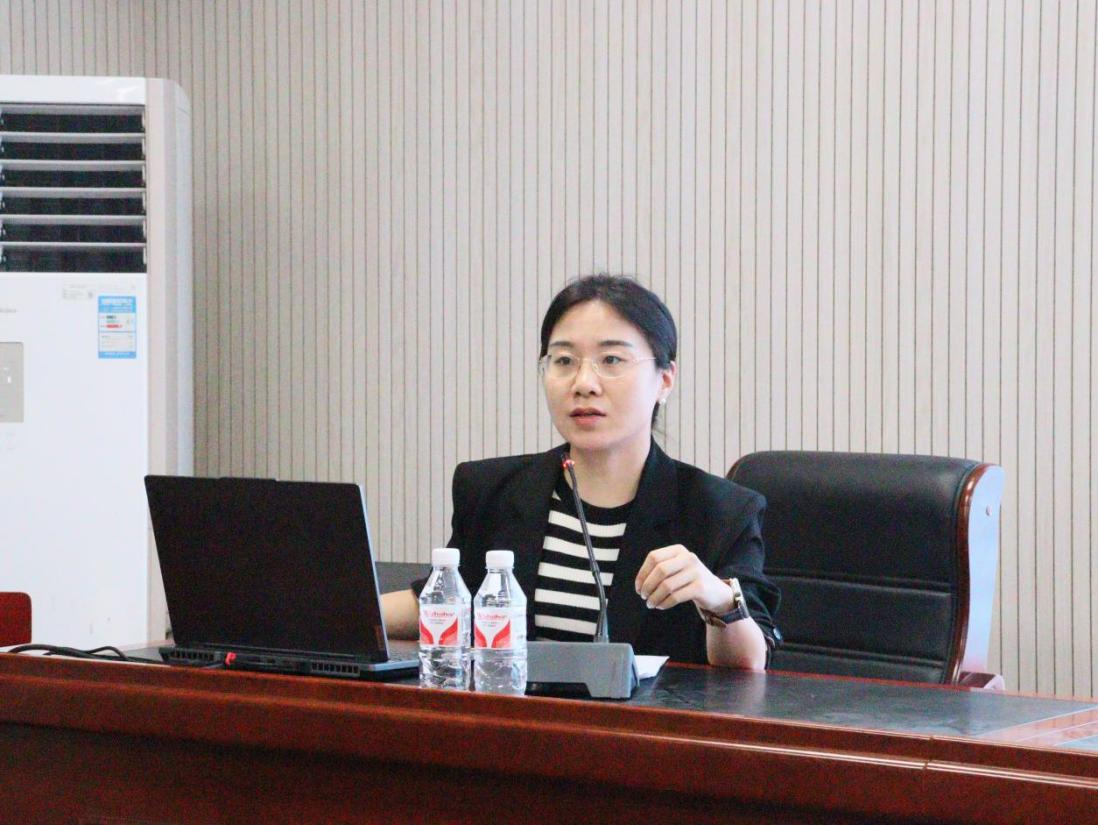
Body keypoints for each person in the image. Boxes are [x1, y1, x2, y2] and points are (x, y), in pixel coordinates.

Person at [382, 274, 780, 668]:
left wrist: (719, 600)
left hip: (652, 712)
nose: (584, 383)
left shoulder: (720, 511)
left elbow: (748, 665)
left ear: (664, 380)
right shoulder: (492, 491)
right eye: (564, 361)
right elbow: (446, 602)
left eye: (611, 360)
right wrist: (345, 608)